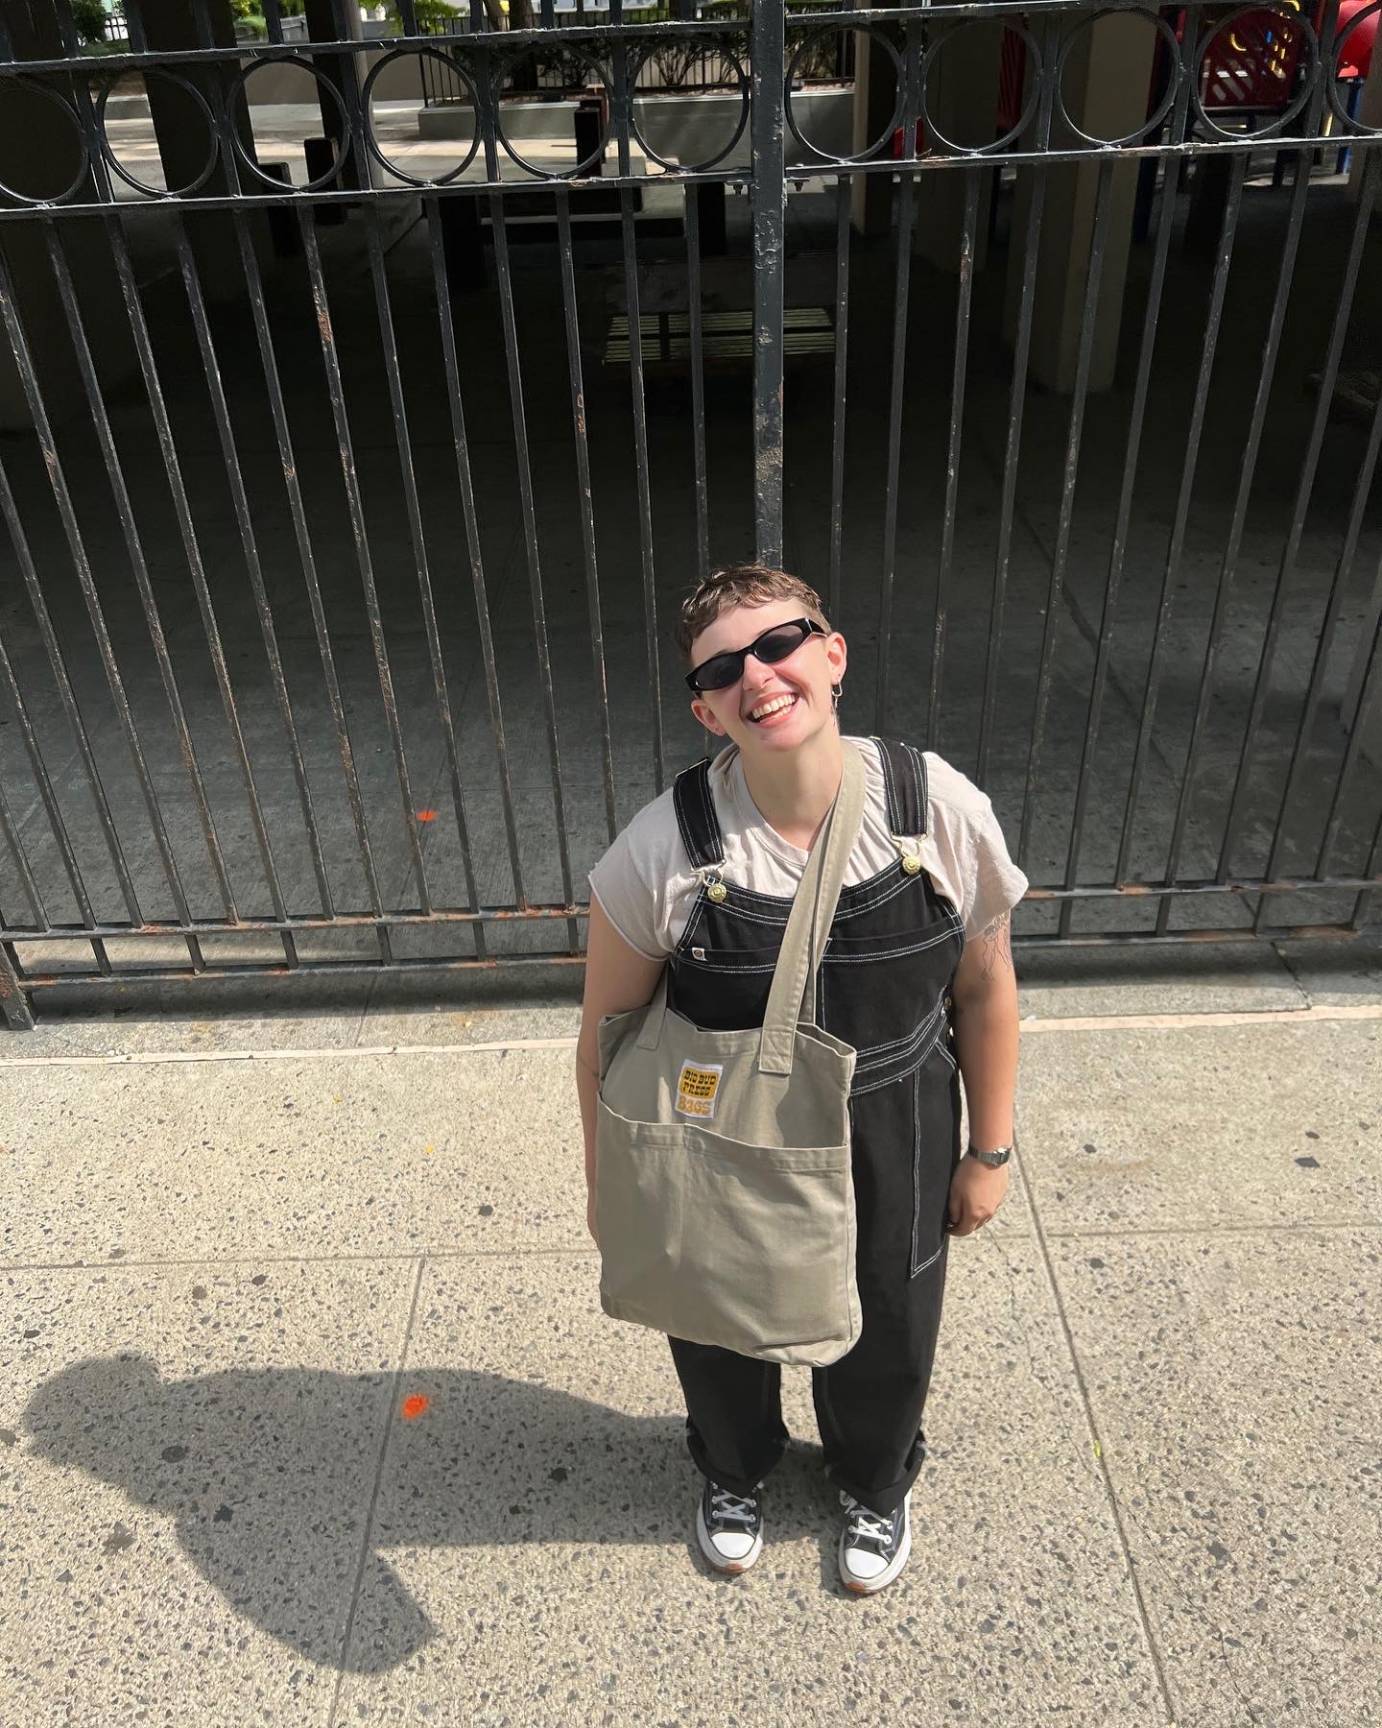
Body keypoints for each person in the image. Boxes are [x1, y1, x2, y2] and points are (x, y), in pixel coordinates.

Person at [575, 564, 1025, 1595]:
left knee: (888, 1316)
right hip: (722, 1128)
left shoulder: (933, 808)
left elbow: (987, 990)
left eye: (778, 643)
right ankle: (732, 1469)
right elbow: (605, 1033)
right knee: (716, 1309)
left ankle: (873, 1481)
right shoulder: (663, 849)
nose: (757, 676)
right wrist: (609, 1185)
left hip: (895, 1119)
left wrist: (988, 1149)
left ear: (830, 654)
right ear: (705, 709)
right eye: (724, 668)